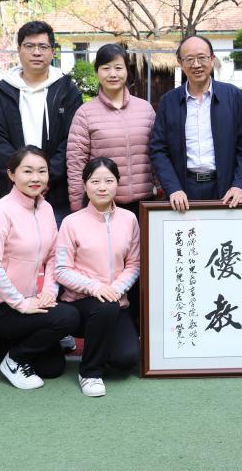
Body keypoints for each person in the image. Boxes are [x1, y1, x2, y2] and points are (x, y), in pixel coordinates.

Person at [0, 146, 80, 390]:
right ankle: (14, 360)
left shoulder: (46, 208)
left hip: (28, 301)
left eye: (42, 171)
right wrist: (20, 303)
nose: (35, 178)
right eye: (27, 171)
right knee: (69, 317)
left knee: (53, 368)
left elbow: (53, 256)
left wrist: (49, 291)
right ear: (11, 174)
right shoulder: (0, 211)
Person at [66, 42, 155, 328]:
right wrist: (78, 207)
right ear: (97, 72)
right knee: (110, 268)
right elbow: (76, 163)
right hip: (104, 206)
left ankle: (144, 330)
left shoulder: (145, 109)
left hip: (144, 205)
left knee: (144, 268)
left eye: (118, 67)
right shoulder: (85, 113)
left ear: (128, 71)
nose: (113, 74)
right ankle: (115, 324)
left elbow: (157, 153)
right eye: (106, 68)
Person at [56, 157, 141, 397]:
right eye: (95, 182)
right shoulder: (71, 222)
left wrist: (116, 288)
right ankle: (90, 372)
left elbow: (134, 263)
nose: (102, 187)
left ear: (117, 183)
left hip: (116, 301)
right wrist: (95, 288)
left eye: (108, 181)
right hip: (80, 304)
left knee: (126, 359)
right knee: (105, 308)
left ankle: (101, 349)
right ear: (85, 185)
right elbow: (61, 269)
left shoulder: (129, 219)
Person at [0, 20, 83, 225]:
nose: (36, 52)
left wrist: (44, 177)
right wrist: (22, 177)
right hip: (11, 193)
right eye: (29, 46)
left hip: (56, 194)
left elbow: (72, 140)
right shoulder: (2, 90)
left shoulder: (67, 90)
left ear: (52, 52)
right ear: (19, 50)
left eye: (43, 47)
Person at [150, 35, 242, 213]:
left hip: (225, 188)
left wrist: (239, 184)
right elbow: (158, 149)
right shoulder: (168, 101)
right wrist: (173, 187)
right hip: (183, 189)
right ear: (180, 63)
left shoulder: (233, 96)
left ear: (212, 59)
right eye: (189, 59)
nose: (196, 64)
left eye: (202, 57)